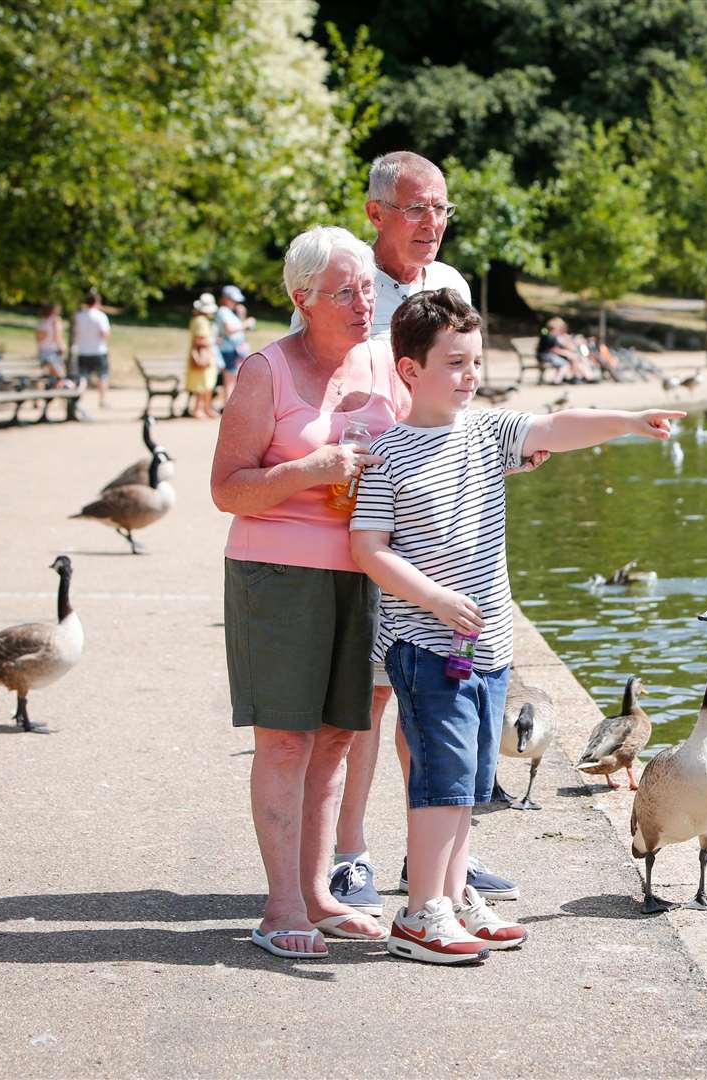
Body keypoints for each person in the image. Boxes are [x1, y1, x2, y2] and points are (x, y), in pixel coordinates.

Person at [349, 288, 684, 963]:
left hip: (489, 647)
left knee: (468, 785)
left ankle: (453, 895)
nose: (471, 375)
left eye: (475, 361)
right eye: (454, 363)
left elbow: (559, 426)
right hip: (426, 646)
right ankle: (421, 916)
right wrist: (437, 600)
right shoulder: (386, 455)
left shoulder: (485, 431)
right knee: (439, 783)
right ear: (409, 371)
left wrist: (626, 420)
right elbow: (369, 549)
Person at [323, 151, 521, 918]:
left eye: (441, 209)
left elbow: (463, 393)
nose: (431, 224)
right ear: (376, 213)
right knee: (368, 697)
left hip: (443, 522)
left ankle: (438, 859)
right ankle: (350, 856)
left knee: (437, 692)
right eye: (415, 209)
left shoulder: (452, 288)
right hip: (366, 510)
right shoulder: (349, 284)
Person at [210, 225, 402, 959]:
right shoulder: (267, 371)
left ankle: (319, 892)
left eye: (367, 290)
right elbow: (226, 489)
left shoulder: (379, 363)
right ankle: (280, 905)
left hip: (361, 571)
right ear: (302, 298)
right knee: (287, 740)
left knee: (336, 739)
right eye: (346, 291)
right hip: (278, 575)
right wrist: (310, 469)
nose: (362, 303)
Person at [215, 285, 254, 404]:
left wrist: (242, 316)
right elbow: (229, 329)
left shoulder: (230, 312)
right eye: (233, 300)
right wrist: (246, 323)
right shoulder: (223, 311)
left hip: (235, 350)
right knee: (229, 381)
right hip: (229, 351)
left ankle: (231, 405)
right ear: (227, 299)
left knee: (234, 380)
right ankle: (228, 406)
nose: (236, 303)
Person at [72, 288, 111, 408]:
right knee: (102, 376)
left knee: (82, 378)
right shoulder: (100, 316)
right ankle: (102, 400)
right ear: (97, 302)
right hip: (98, 350)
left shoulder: (78, 316)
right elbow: (105, 334)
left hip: (83, 350)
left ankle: (78, 398)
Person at [186, 293, 219, 419]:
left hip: (204, 356)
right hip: (203, 356)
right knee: (203, 384)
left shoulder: (197, 320)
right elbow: (199, 340)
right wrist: (214, 341)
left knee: (206, 384)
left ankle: (206, 408)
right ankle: (199, 409)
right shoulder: (201, 322)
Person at [536, 317, 599, 384]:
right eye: (559, 328)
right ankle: (558, 380)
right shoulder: (550, 337)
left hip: (550, 355)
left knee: (576, 359)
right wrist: (565, 352)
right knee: (566, 363)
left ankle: (582, 376)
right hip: (546, 356)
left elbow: (567, 347)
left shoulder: (554, 336)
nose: (561, 330)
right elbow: (553, 349)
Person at [36, 302, 71, 386]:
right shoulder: (55, 320)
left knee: (53, 375)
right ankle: (66, 390)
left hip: (43, 351)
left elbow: (38, 339)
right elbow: (57, 337)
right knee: (60, 375)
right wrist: (62, 347)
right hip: (53, 352)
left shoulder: (42, 321)